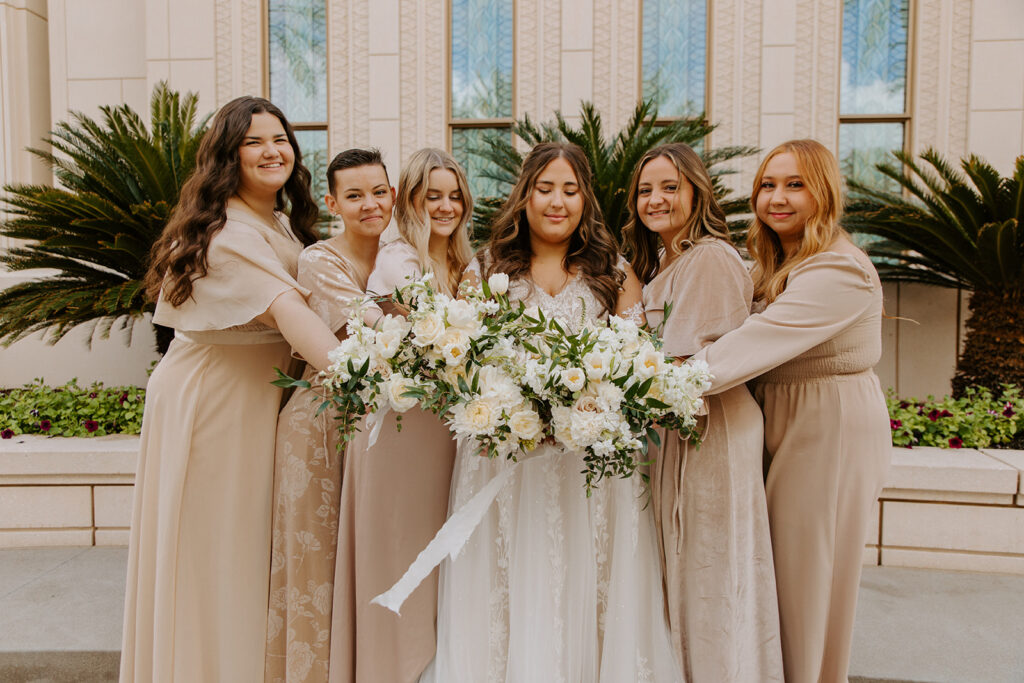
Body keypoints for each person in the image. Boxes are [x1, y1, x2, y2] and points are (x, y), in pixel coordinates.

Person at [421, 141, 683, 683]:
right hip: (507, 461)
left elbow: (637, 365)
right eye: (545, 189)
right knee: (509, 575)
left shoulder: (614, 273)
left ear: (586, 199)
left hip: (589, 464)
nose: (557, 201)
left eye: (570, 190)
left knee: (591, 576)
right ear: (525, 196)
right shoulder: (487, 269)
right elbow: (459, 365)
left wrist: (593, 404)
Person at [120, 96, 343, 683]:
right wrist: (368, 380)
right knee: (217, 555)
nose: (272, 151)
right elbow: (292, 315)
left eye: (280, 139)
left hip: (258, 395)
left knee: (247, 552)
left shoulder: (275, 221)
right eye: (253, 142)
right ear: (228, 156)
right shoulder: (226, 231)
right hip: (216, 401)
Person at [690, 139, 891, 683]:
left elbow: (750, 344)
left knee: (808, 583)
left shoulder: (839, 270)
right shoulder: (776, 262)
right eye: (768, 185)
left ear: (823, 192)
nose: (777, 198)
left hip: (828, 425)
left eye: (795, 185)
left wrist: (644, 387)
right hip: (784, 416)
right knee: (778, 577)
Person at [622, 142, 784, 682]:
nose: (656, 199)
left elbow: (694, 360)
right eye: (646, 190)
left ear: (696, 191)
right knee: (689, 565)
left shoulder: (711, 256)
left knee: (713, 565)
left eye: (670, 187)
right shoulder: (670, 259)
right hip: (681, 426)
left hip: (713, 429)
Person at [328, 148, 472, 683]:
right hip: (402, 426)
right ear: (410, 200)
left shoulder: (462, 261)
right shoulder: (399, 260)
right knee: (400, 551)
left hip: (447, 427)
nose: (445, 206)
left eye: (454, 195)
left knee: (438, 556)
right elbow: (428, 339)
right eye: (432, 195)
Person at [265, 148, 395, 683]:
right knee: (317, 561)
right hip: (322, 424)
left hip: (384, 427)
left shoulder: (400, 257)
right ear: (332, 201)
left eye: (380, 192)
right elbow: (376, 336)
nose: (370, 205)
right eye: (356, 195)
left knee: (369, 559)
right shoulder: (320, 261)